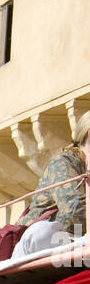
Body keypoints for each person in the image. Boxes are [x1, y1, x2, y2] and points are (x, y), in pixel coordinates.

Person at [11, 110, 90, 259]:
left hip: (73, 246)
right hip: (36, 246)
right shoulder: (65, 162)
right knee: (43, 231)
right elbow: (74, 213)